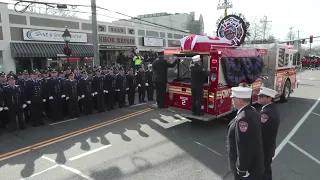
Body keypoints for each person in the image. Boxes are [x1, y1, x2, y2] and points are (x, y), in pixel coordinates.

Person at [227, 87, 264, 180]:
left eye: (233, 98)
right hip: (254, 164)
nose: (232, 101)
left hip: (247, 169)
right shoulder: (252, 110)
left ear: (239, 101)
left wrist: (241, 169)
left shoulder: (243, 119)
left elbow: (244, 146)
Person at [257, 87, 280, 180]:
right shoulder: (271, 109)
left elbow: (261, 132)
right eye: (259, 95)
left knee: (263, 172)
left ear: (269, 98)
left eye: (262, 96)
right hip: (268, 147)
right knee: (266, 170)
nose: (259, 97)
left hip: (264, 148)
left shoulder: (266, 113)